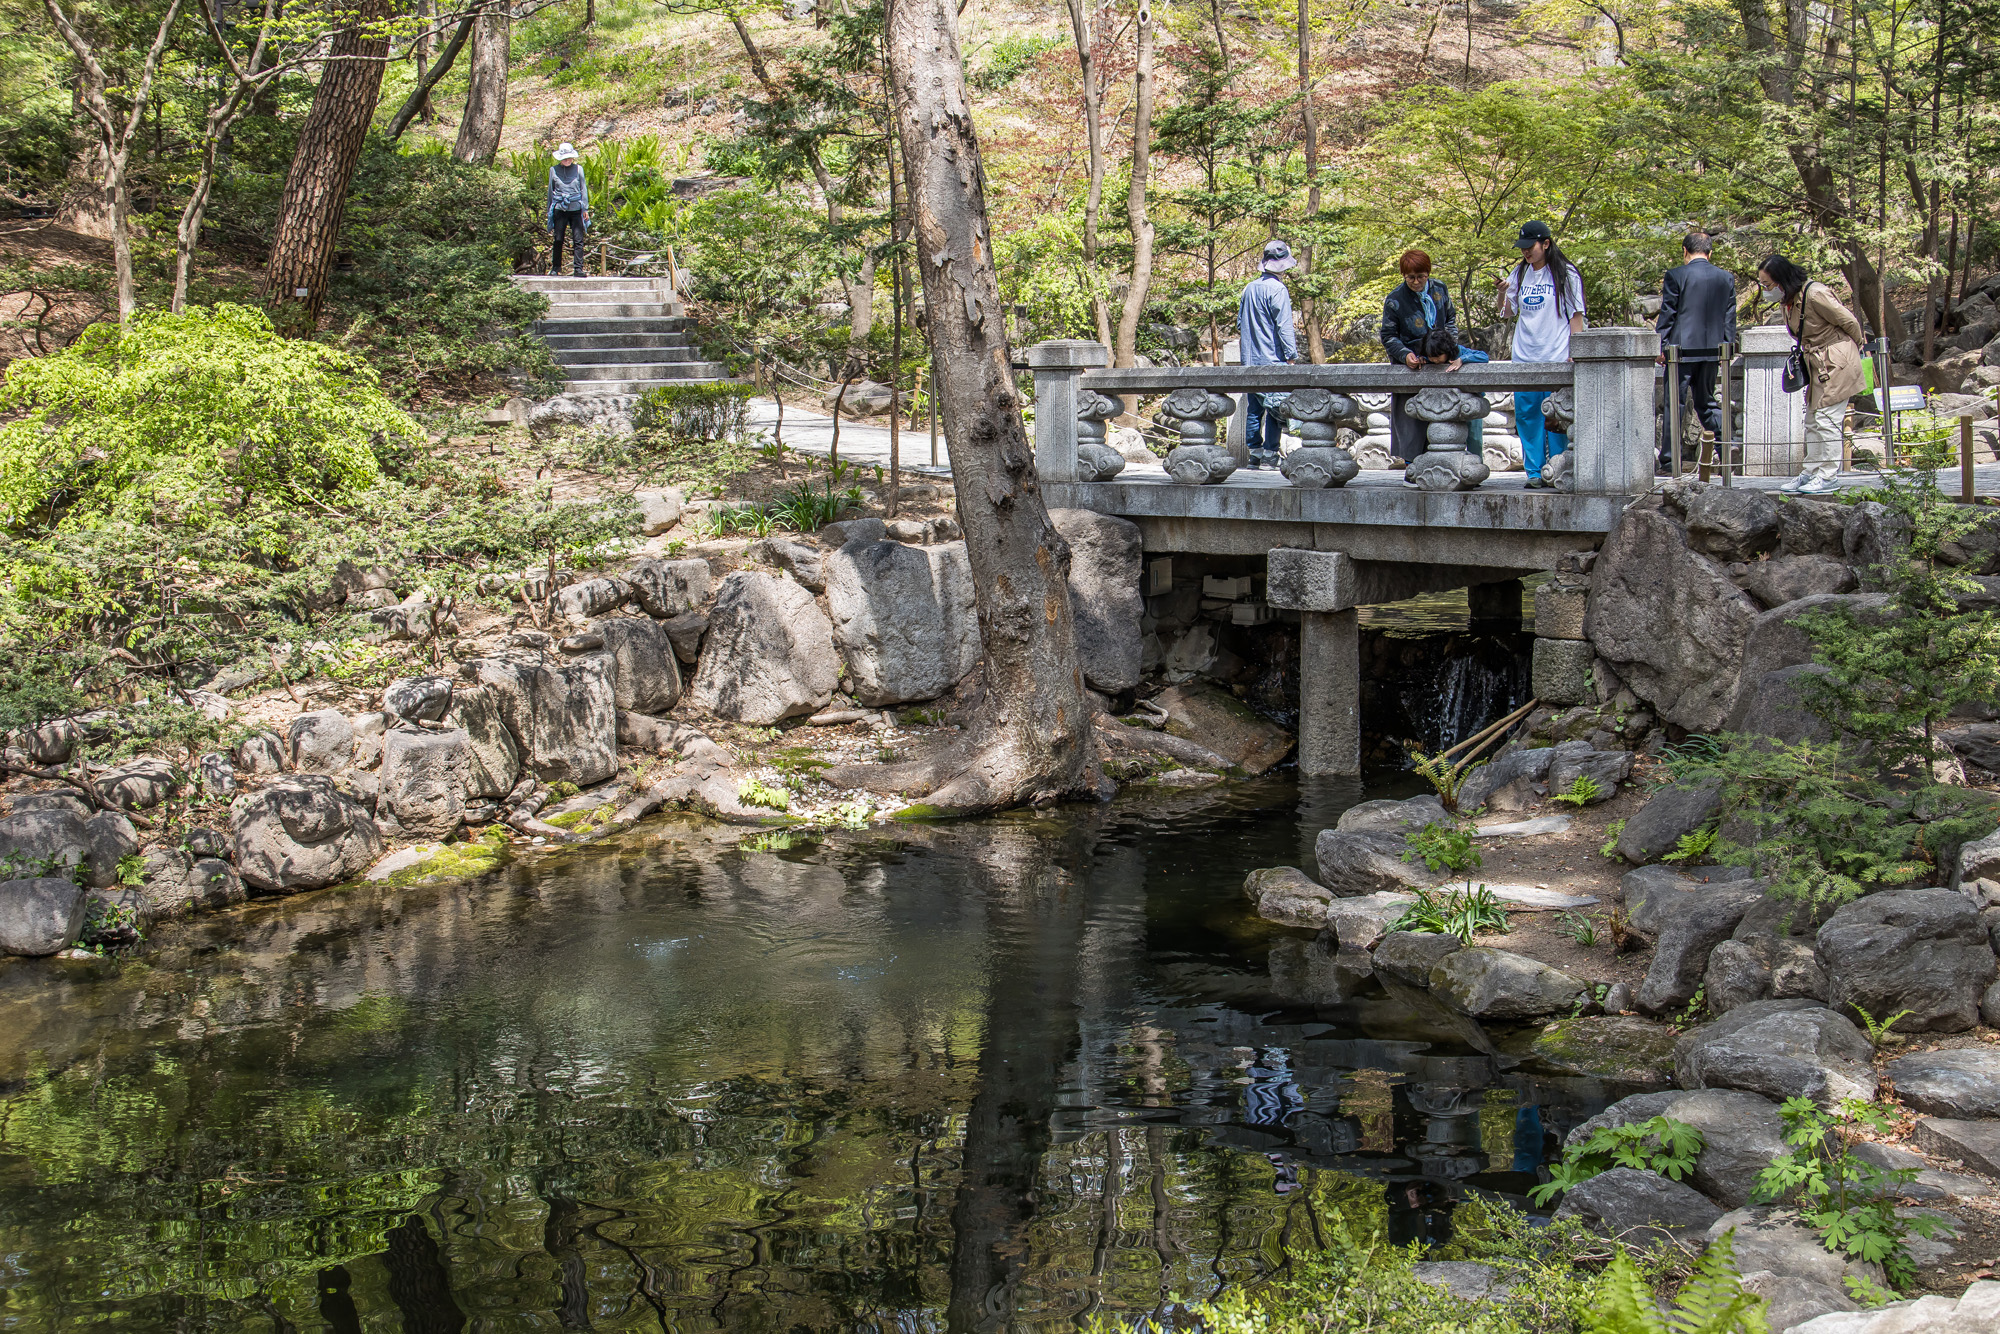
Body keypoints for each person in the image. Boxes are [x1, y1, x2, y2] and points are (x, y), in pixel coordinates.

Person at [1760, 253, 1864, 495]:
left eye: (1767, 285)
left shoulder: (1815, 294)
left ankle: (1828, 476)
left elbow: (1849, 322)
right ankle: (1811, 471)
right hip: (1816, 363)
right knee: (1812, 420)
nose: (1765, 290)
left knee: (1827, 419)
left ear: (1782, 280)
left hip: (1836, 361)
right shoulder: (1789, 299)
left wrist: (1851, 351)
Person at [1496, 220, 1586, 489]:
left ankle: (1557, 468)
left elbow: (1576, 315)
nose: (1525, 252)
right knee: (1527, 414)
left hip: (1556, 353)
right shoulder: (1520, 273)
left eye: (1530, 246)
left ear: (1546, 244)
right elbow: (1507, 312)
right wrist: (1501, 294)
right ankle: (1534, 472)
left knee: (1557, 416)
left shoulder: (1565, 274)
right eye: (1522, 247)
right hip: (1524, 355)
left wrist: (1576, 351)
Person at [1656, 231, 1738, 468]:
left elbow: (1668, 312)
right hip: (1714, 350)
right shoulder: (1726, 278)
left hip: (1680, 351)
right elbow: (1729, 317)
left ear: (1685, 251)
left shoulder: (1676, 275)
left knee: (1676, 403)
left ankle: (1671, 460)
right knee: (1707, 402)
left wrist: (1661, 344)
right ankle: (1726, 447)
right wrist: (1727, 346)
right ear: (1710, 253)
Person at [1380, 249, 1457, 467]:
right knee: (1410, 419)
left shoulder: (1440, 289)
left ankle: (1442, 464)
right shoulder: (1395, 300)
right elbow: (1388, 336)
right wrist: (1405, 355)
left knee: (1442, 414)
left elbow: (1451, 319)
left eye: (1421, 276)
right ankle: (1411, 465)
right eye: (1411, 277)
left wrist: (1447, 349)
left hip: (1440, 361)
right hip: (1411, 364)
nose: (1416, 282)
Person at [1237, 240, 1299, 469]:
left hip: (1249, 359)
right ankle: (1270, 454)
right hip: (1272, 358)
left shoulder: (1249, 288)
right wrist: (1291, 354)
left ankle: (1254, 453)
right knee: (1275, 406)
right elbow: (1284, 326)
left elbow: (1239, 322)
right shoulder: (1278, 289)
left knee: (1254, 408)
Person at [1419, 327, 1489, 452]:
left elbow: (1483, 357)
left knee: (1475, 439)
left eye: (1438, 356)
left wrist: (1462, 360)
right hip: (1444, 403)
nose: (1435, 360)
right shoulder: (1429, 359)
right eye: (1431, 356)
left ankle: (1476, 465)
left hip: (1470, 400)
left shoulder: (1460, 352)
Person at [546, 143, 590, 278]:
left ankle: (578, 268)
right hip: (560, 208)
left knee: (578, 239)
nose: (567, 160)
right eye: (565, 158)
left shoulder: (578, 169)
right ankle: (556, 268)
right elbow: (550, 191)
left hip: (576, 208)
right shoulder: (553, 170)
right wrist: (549, 211)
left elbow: (583, 189)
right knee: (558, 238)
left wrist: (585, 208)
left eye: (569, 158)